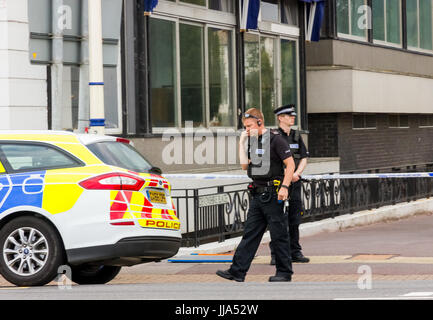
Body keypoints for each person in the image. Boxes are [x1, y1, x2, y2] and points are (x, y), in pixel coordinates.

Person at [216, 108, 296, 282]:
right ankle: (237, 271)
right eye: (245, 126)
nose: (247, 129)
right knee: (250, 234)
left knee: (278, 234)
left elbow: (290, 165)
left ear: (260, 122)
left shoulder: (276, 140)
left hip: (273, 194)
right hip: (257, 194)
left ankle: (284, 272)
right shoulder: (253, 140)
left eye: (249, 126)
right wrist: (241, 143)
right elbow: (245, 166)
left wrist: (285, 187)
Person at [269, 104, 310, 264]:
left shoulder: (296, 136)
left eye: (293, 115)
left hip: (295, 183)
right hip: (279, 184)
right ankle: (277, 254)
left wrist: (296, 174)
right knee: (278, 221)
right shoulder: (273, 136)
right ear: (280, 118)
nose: (292, 118)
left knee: (294, 219)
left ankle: (295, 252)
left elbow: (304, 157)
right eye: (288, 115)